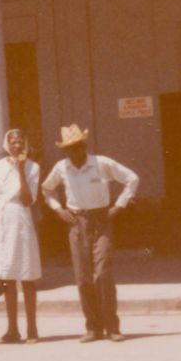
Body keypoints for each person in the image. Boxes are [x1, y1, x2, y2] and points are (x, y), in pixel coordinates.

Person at [41, 124, 139, 343]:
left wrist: (119, 206)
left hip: (101, 220)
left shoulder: (101, 163)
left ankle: (112, 327)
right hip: (76, 221)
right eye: (70, 148)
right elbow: (47, 189)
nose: (75, 151)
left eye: (78, 146)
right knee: (83, 277)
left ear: (85, 145)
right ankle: (93, 327)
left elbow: (132, 178)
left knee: (103, 272)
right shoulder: (61, 168)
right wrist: (59, 210)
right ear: (65, 151)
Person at [0, 128, 42, 345]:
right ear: (7, 144)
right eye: (13, 142)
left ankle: (32, 329)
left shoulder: (33, 168)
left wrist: (20, 170)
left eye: (20, 142)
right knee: (7, 277)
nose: (17, 146)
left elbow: (28, 200)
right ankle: (12, 330)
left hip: (21, 218)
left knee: (26, 275)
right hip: (0, 221)